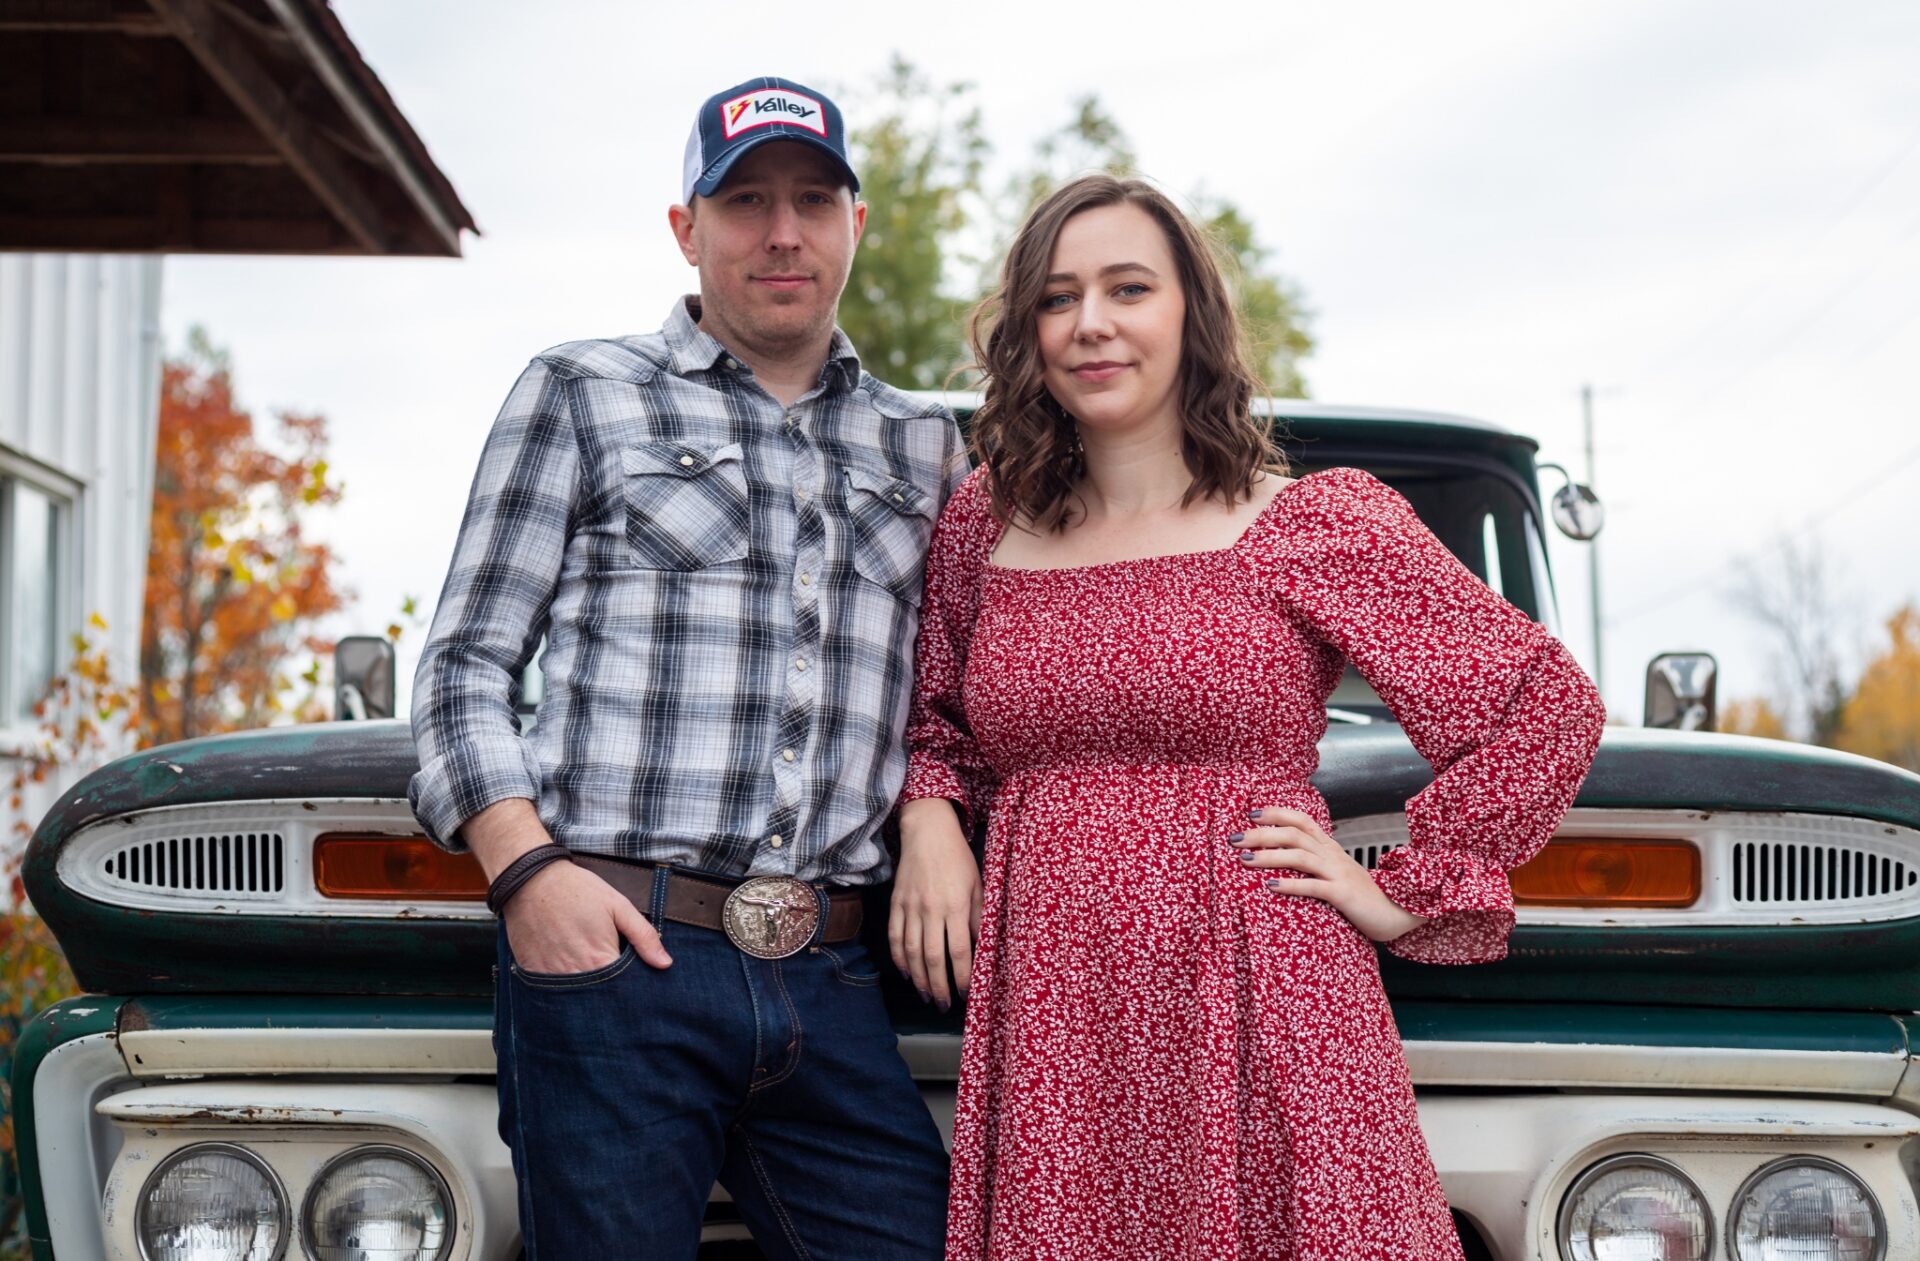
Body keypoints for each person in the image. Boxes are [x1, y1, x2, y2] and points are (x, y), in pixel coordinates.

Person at [891, 174, 1607, 1258]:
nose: (1091, 323)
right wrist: (932, 813)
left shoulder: (1308, 523)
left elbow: (1539, 705)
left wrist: (1406, 891)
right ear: (1027, 330)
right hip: (1056, 1005)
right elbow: (934, 715)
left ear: (1190, 312)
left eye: (1129, 288)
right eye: (1058, 296)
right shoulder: (982, 525)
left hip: (1260, 977)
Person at [409, 76, 961, 1260]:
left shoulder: (924, 444)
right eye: (745, 200)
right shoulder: (581, 394)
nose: (782, 231)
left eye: (815, 200)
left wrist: (933, 820)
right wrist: (529, 880)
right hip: (617, 954)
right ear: (686, 229)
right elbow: (464, 666)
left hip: (834, 972)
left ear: (855, 227)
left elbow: (953, 687)